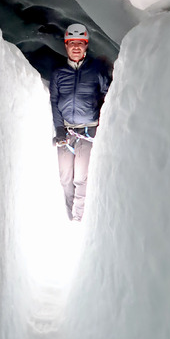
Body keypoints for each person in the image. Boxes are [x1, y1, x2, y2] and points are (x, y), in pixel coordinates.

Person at [50, 23, 111, 222]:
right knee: (65, 179)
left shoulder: (96, 71)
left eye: (80, 43)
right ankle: (70, 218)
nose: (76, 47)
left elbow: (108, 96)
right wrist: (59, 128)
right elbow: (54, 101)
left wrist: (104, 124)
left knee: (81, 178)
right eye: (72, 43)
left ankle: (78, 219)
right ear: (66, 45)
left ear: (86, 46)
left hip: (88, 132)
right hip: (66, 133)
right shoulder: (59, 74)